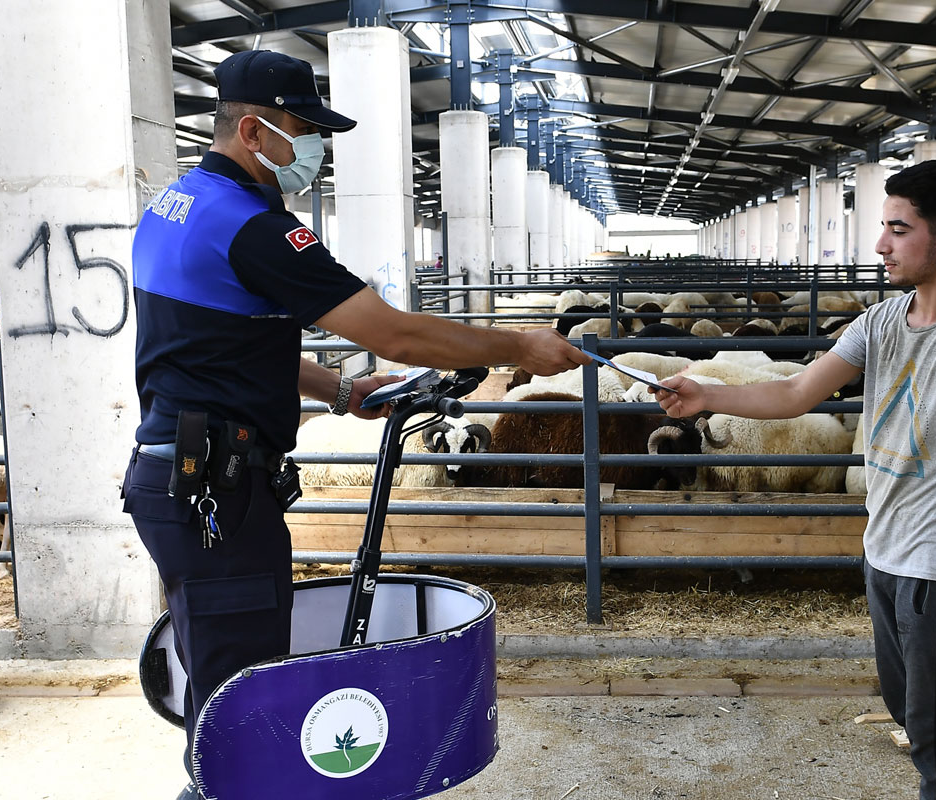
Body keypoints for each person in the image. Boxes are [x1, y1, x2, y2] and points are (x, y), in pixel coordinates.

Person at [124, 50, 589, 800]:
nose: (313, 148)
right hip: (215, 493)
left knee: (225, 687)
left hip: (183, 481)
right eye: (301, 129)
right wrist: (520, 344)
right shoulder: (255, 228)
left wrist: (341, 391)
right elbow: (395, 334)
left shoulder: (174, 207)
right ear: (252, 129)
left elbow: (221, 344)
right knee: (239, 705)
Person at [655, 160, 936, 800]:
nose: (880, 244)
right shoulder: (881, 322)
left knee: (934, 728)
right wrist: (708, 395)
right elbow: (794, 391)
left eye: (898, 228)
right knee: (905, 705)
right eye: (882, 227)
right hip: (883, 551)